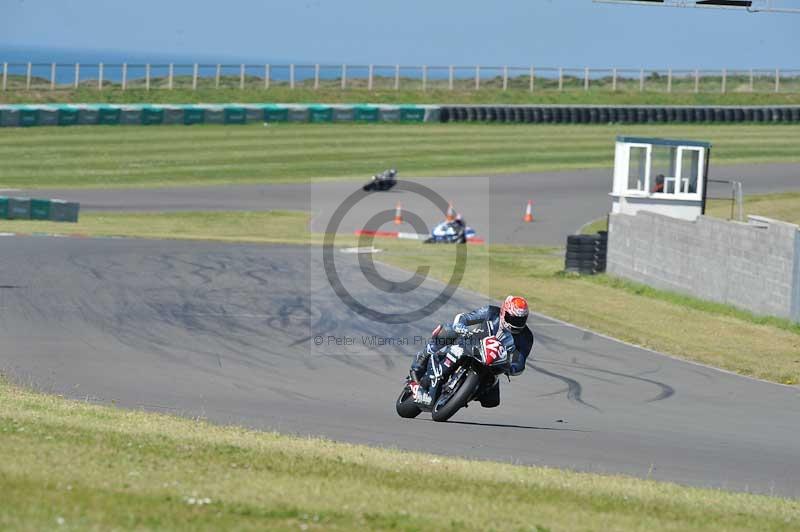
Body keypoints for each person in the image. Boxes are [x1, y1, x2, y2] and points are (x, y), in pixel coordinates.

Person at [409, 295, 534, 407]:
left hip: (494, 363)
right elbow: (465, 317)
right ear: (503, 312)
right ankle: (422, 359)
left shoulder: (526, 337)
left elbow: (520, 362)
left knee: (491, 401)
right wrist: (460, 326)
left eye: (520, 320)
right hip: (473, 344)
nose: (515, 323)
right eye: (512, 318)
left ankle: (464, 394)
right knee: (448, 330)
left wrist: (511, 368)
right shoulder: (491, 312)